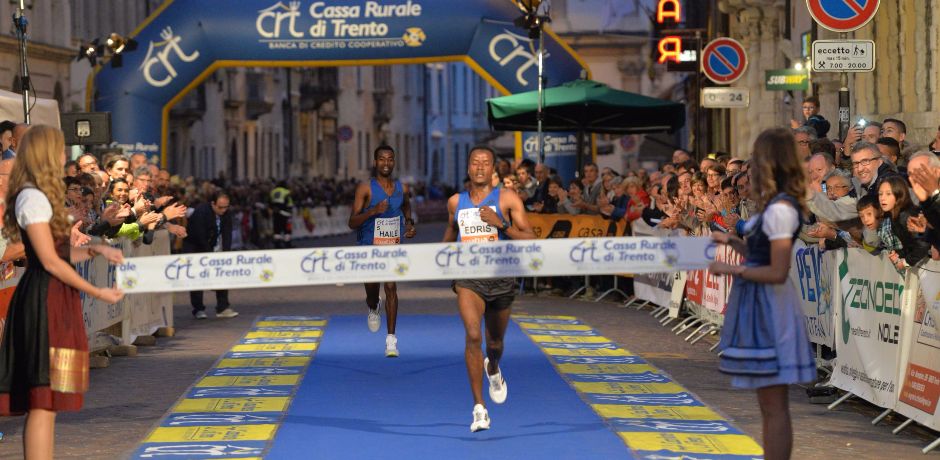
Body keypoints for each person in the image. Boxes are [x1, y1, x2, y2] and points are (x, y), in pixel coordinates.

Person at [0, 125, 124, 459]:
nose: (63, 155)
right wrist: (97, 291)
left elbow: (59, 253)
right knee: (42, 400)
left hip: (51, 294)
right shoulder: (33, 197)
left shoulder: (38, 194)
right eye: (59, 148)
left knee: (48, 401)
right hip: (44, 296)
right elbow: (50, 261)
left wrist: (96, 249)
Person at [707, 127, 816, 460]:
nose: (750, 169)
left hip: (770, 307)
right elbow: (761, 255)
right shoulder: (773, 206)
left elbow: (777, 270)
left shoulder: (780, 209)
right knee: (768, 403)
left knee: (773, 403)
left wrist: (732, 269)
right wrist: (732, 241)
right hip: (761, 302)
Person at [442, 145, 535, 432]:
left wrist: (502, 225)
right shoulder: (455, 202)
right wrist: (441, 260)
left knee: (494, 343)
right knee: (473, 335)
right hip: (468, 279)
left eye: (485, 163)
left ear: (493, 169)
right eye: (475, 162)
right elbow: (449, 236)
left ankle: (493, 367)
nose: (480, 167)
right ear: (468, 167)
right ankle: (479, 408)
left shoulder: (507, 198)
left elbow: (530, 237)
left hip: (501, 278)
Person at [348, 146, 415, 357]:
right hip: (369, 246)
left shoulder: (402, 188)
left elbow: (406, 206)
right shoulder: (365, 188)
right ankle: (373, 305)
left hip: (392, 245)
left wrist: (409, 223)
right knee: (372, 290)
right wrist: (373, 212)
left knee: (391, 287)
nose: (386, 163)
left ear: (394, 162)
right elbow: (352, 222)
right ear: (375, 162)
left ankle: (391, 340)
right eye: (382, 159)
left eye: (390, 159)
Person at [183, 191, 239, 319]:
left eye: (226, 207)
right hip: (195, 246)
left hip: (213, 245)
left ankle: (223, 307)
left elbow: (227, 234)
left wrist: (226, 254)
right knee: (197, 278)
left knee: (222, 274)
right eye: (220, 207)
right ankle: (198, 309)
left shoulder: (226, 213)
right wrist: (209, 255)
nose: (224, 210)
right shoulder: (201, 212)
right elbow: (200, 236)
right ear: (213, 204)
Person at [270, 180, 293, 249]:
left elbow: (270, 202)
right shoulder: (286, 192)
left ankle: (277, 244)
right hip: (285, 213)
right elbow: (289, 202)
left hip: (276, 213)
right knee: (287, 229)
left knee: (277, 229)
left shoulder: (273, 191)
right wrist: (290, 210)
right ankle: (287, 243)